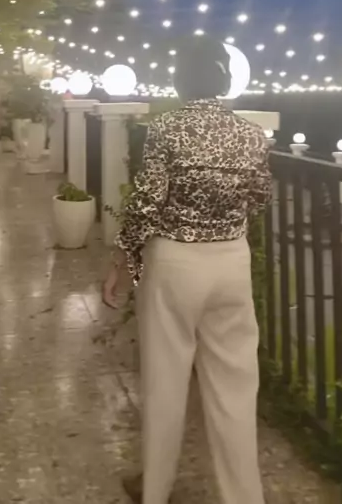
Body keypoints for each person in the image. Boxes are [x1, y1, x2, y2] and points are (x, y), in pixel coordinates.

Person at [103, 37, 271, 504]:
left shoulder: (166, 129)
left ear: (180, 79)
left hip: (175, 263)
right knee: (236, 388)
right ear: (223, 78)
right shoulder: (250, 134)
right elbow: (260, 197)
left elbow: (146, 204)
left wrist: (121, 262)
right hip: (231, 261)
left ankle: (155, 491)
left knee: (165, 382)